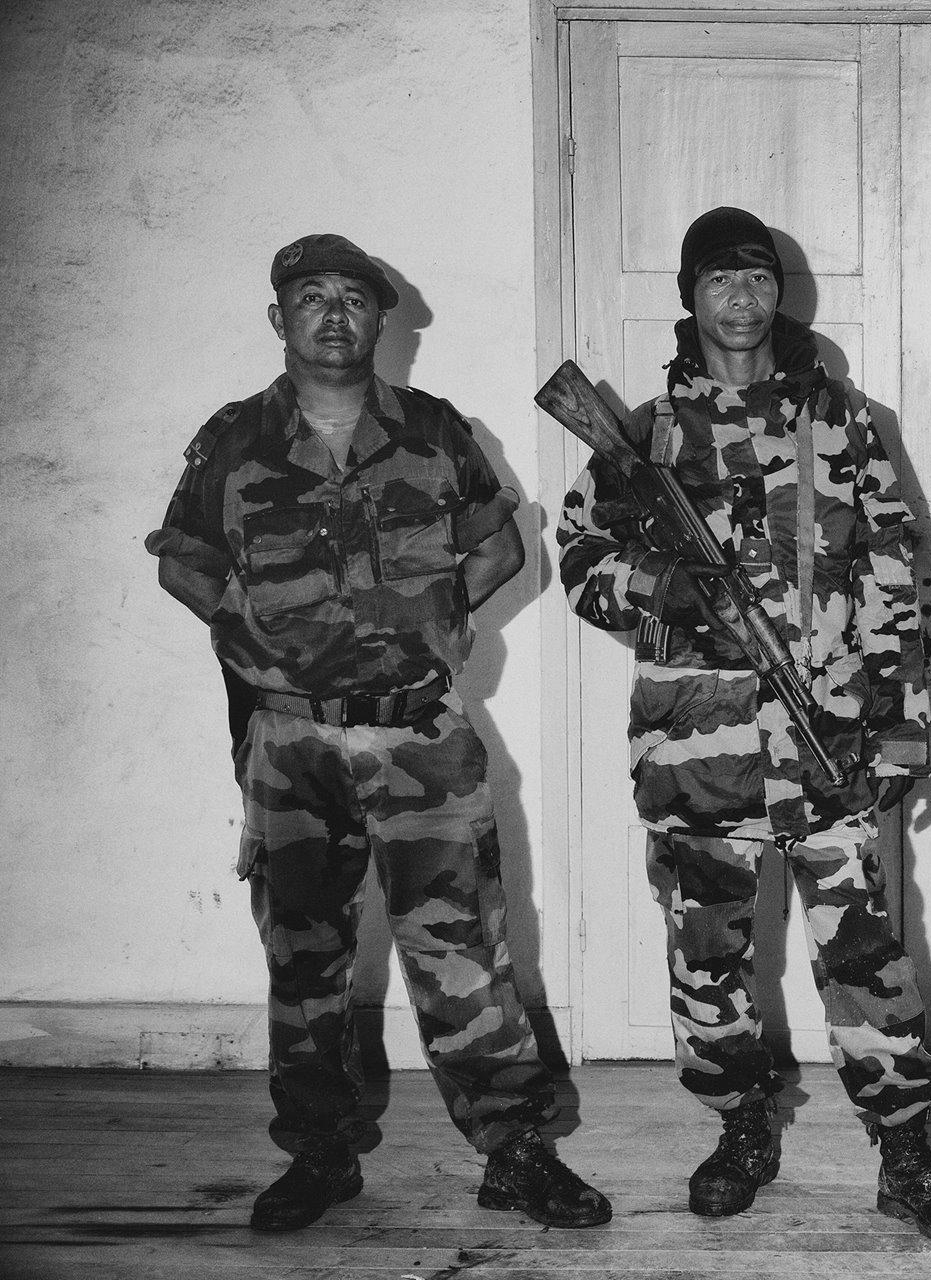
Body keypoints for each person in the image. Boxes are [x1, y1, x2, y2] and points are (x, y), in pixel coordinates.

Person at [147, 234, 610, 1233]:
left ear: (380, 321)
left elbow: (498, 542)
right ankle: (320, 1154)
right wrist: (259, 638)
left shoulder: (434, 431)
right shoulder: (235, 439)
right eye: (309, 297)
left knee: (463, 952)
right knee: (304, 954)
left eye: (353, 299)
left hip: (419, 737)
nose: (331, 314)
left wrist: (439, 623)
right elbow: (183, 561)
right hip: (292, 743)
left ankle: (516, 1150)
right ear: (280, 319)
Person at [556, 206, 931, 1245]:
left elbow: (898, 571)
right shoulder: (646, 433)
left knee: (867, 956)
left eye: (757, 278)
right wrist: (666, 588)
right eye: (719, 279)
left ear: (778, 295)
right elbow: (578, 556)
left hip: (832, 739)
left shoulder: (839, 419)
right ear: (690, 298)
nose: (741, 297)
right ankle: (741, 1125)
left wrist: (904, 730)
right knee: (707, 953)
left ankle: (904, 1152)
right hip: (697, 748)